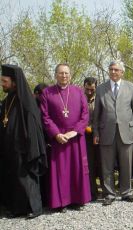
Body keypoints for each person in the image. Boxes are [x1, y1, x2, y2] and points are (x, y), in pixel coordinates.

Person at [40, 63, 91, 212]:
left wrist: (75, 131)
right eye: (61, 73)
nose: (64, 76)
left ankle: (77, 200)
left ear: (70, 75)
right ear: (55, 75)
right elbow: (45, 116)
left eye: (67, 73)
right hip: (59, 139)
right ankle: (62, 202)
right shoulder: (47, 93)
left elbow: (85, 114)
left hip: (75, 138)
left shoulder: (78, 91)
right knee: (61, 172)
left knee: (76, 169)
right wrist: (56, 134)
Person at [0, 64, 47, 218]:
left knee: (26, 179)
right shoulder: (7, 100)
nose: (2, 84)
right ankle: (16, 208)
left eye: (4, 81)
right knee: (12, 178)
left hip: (24, 147)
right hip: (9, 148)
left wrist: (32, 147)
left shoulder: (26, 101)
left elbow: (33, 127)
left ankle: (34, 208)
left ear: (14, 82)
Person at [93, 60, 133, 205]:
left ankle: (126, 192)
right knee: (107, 165)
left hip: (127, 131)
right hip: (106, 131)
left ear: (122, 72)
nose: (113, 72)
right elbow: (96, 114)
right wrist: (95, 132)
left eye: (116, 70)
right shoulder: (101, 88)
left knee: (126, 164)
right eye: (111, 69)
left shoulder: (131, 87)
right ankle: (109, 193)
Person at [83, 77, 101, 201]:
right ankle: (92, 192)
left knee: (100, 163)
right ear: (84, 86)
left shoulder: (100, 99)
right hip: (84, 135)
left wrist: (96, 131)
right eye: (87, 89)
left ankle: (105, 190)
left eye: (92, 89)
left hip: (99, 135)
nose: (90, 92)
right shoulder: (79, 98)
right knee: (88, 164)